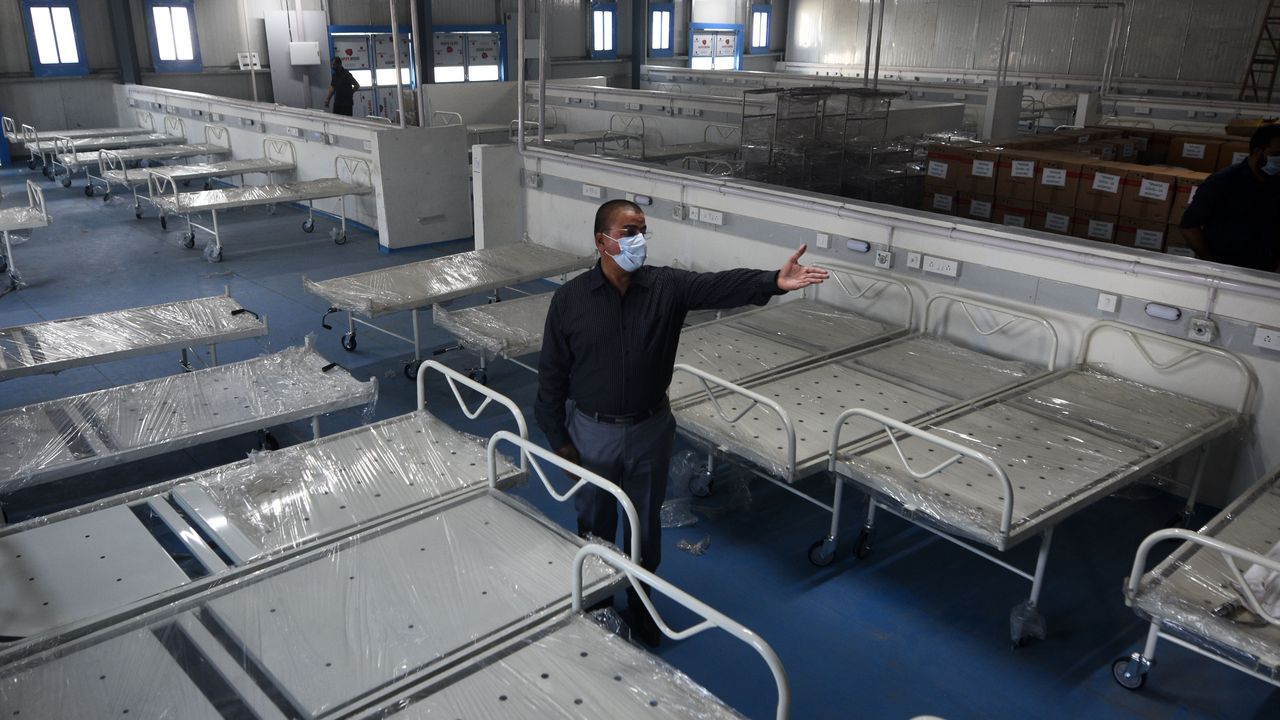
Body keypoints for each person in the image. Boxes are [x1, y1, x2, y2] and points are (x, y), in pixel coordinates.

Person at [534, 199, 828, 646]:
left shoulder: (665, 287)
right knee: (594, 520)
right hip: (592, 431)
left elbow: (718, 287)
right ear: (602, 241)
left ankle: (641, 603)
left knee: (644, 525)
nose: (639, 241)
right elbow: (552, 375)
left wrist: (773, 281)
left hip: (651, 429)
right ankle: (596, 602)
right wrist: (559, 439)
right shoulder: (570, 301)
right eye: (629, 232)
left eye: (643, 231)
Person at [1178, 124, 1280, 272]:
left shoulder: (1275, 183)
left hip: (1265, 270)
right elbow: (1189, 226)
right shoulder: (1223, 182)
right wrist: (1214, 264)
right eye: (1277, 154)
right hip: (1225, 270)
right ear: (1258, 152)